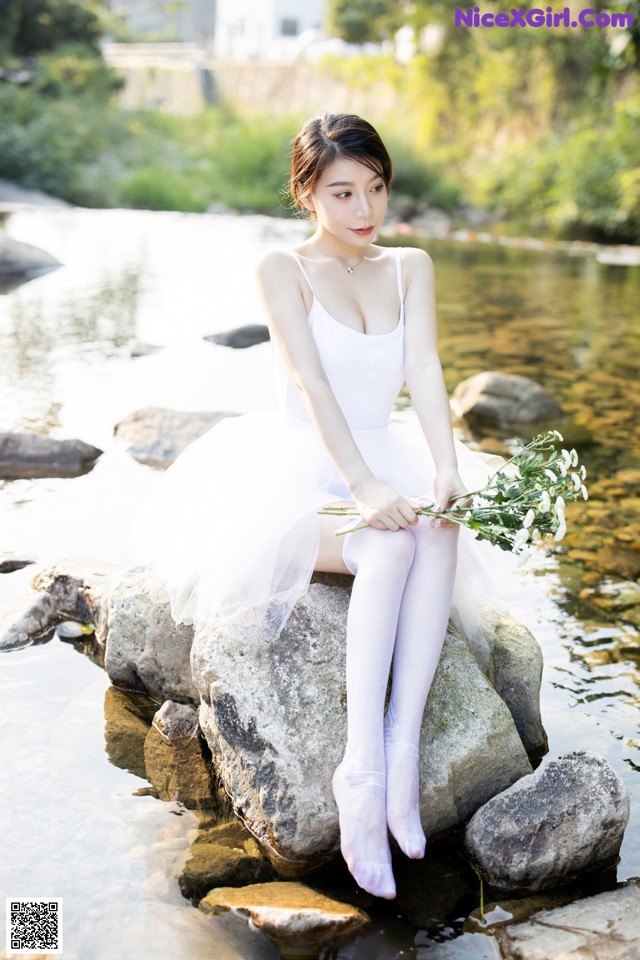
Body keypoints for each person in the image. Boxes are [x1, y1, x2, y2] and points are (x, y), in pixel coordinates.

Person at [136, 113, 496, 901]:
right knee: (388, 545)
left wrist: (445, 464)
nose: (364, 209)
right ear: (306, 192)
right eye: (342, 192)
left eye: (375, 188)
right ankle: (359, 773)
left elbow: (428, 368)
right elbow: (313, 384)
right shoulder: (282, 268)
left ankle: (402, 754)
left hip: (385, 452)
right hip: (297, 471)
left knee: (438, 529)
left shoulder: (410, 266)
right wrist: (364, 487)